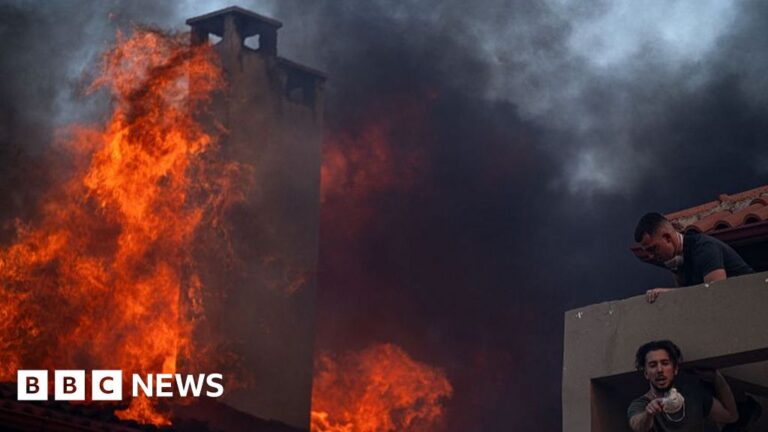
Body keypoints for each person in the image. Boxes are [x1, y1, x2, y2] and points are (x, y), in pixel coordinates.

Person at [634, 212, 754, 303]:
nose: (651, 256)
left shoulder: (705, 248)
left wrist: (669, 294)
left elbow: (716, 293)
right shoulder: (677, 260)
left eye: (653, 249)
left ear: (667, 238)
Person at [628, 340, 738, 432]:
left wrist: (717, 378)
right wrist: (649, 413)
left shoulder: (694, 396)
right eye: (653, 365)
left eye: (665, 363)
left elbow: (731, 416)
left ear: (675, 369)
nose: (660, 370)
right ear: (646, 373)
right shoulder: (641, 403)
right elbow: (638, 426)